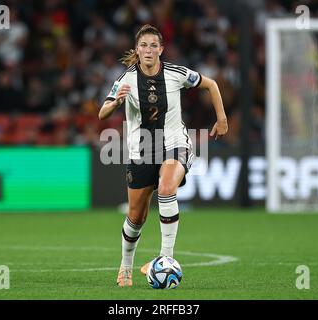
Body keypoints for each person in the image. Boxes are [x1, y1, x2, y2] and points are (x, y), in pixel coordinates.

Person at [98, 24, 228, 287]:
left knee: (167, 188)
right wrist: (116, 102)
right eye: (143, 45)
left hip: (174, 143)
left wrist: (222, 119)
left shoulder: (175, 73)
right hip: (141, 150)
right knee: (136, 216)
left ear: (161, 49)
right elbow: (102, 113)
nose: (148, 50)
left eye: (153, 45)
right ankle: (126, 266)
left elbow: (211, 85)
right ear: (137, 49)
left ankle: (165, 258)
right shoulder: (126, 79)